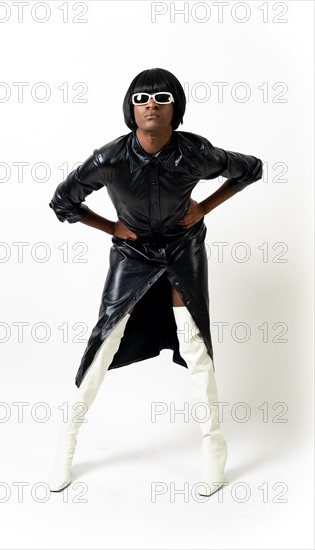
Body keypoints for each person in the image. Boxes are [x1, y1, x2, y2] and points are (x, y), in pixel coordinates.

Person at [47, 67, 263, 496]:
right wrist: (110, 227)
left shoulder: (196, 152)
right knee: (103, 343)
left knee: (195, 342)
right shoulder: (109, 158)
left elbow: (251, 169)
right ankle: (65, 445)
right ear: (130, 108)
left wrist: (205, 207)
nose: (151, 104)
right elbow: (62, 200)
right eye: (142, 98)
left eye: (162, 97)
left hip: (183, 248)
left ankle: (213, 448)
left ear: (175, 108)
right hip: (133, 253)